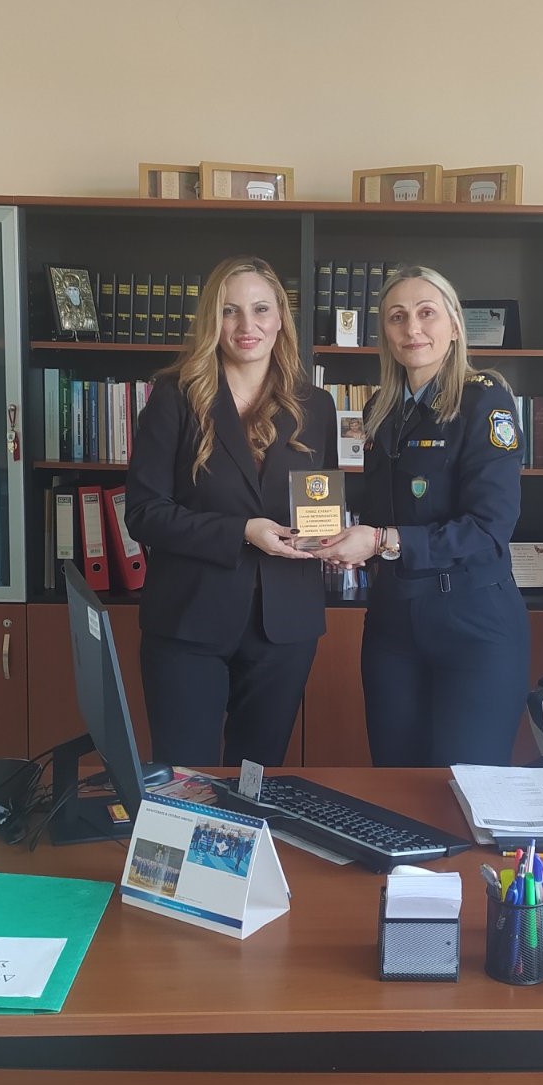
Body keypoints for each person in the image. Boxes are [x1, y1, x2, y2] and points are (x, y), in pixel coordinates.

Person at [125, 256, 338, 768]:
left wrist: (331, 538)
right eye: (230, 310)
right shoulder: (174, 397)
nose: (247, 325)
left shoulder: (316, 405)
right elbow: (144, 513)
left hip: (285, 626)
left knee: (255, 781)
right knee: (186, 779)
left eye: (261, 309)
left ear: (280, 317)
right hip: (189, 622)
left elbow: (320, 502)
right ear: (212, 320)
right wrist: (242, 530)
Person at [312, 265, 529, 767]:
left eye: (426, 313)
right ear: (385, 334)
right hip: (393, 621)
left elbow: (490, 529)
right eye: (397, 317)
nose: (413, 329)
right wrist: (341, 541)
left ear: (454, 325)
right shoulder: (381, 409)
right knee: (395, 780)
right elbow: (383, 510)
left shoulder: (485, 401)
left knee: (465, 787)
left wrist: (381, 541)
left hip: (472, 620)